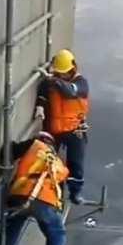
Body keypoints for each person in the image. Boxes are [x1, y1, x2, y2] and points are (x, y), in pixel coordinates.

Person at [0, 131, 69, 245]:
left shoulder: (33, 146)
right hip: (45, 203)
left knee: (12, 226)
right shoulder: (58, 164)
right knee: (56, 233)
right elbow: (60, 193)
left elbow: (9, 151)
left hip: (19, 196)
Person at [35, 49, 90, 205]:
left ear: (73, 69)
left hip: (75, 130)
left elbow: (70, 92)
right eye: (60, 74)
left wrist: (54, 80)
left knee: (76, 164)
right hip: (54, 129)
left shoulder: (81, 84)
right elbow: (43, 93)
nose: (63, 75)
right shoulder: (53, 82)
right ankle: (55, 193)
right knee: (52, 163)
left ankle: (75, 192)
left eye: (64, 73)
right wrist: (40, 106)